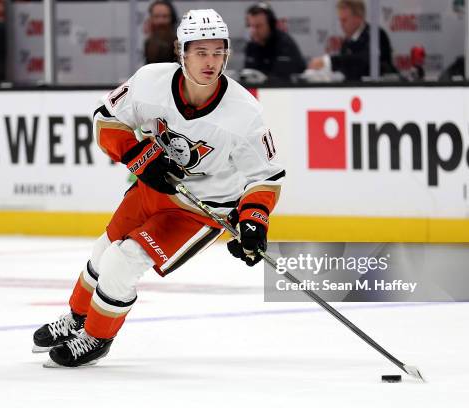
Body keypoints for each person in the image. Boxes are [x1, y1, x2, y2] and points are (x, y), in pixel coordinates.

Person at [33, 8, 285, 368]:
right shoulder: (150, 82)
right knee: (103, 250)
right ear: (180, 52)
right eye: (200, 52)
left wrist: (254, 221)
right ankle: (77, 318)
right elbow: (106, 120)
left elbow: (266, 175)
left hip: (201, 210)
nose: (210, 62)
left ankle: (97, 336)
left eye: (217, 52)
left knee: (122, 262)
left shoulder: (245, 113)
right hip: (154, 188)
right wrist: (140, 156)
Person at [308, 0, 398, 81]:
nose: (341, 25)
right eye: (340, 20)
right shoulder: (347, 43)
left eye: (344, 20)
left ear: (358, 18)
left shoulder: (376, 35)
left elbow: (364, 62)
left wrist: (329, 62)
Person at [243, 2, 306, 83]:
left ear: (271, 25)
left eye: (258, 26)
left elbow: (285, 79)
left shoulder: (285, 44)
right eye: (251, 26)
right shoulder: (251, 45)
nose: (254, 31)